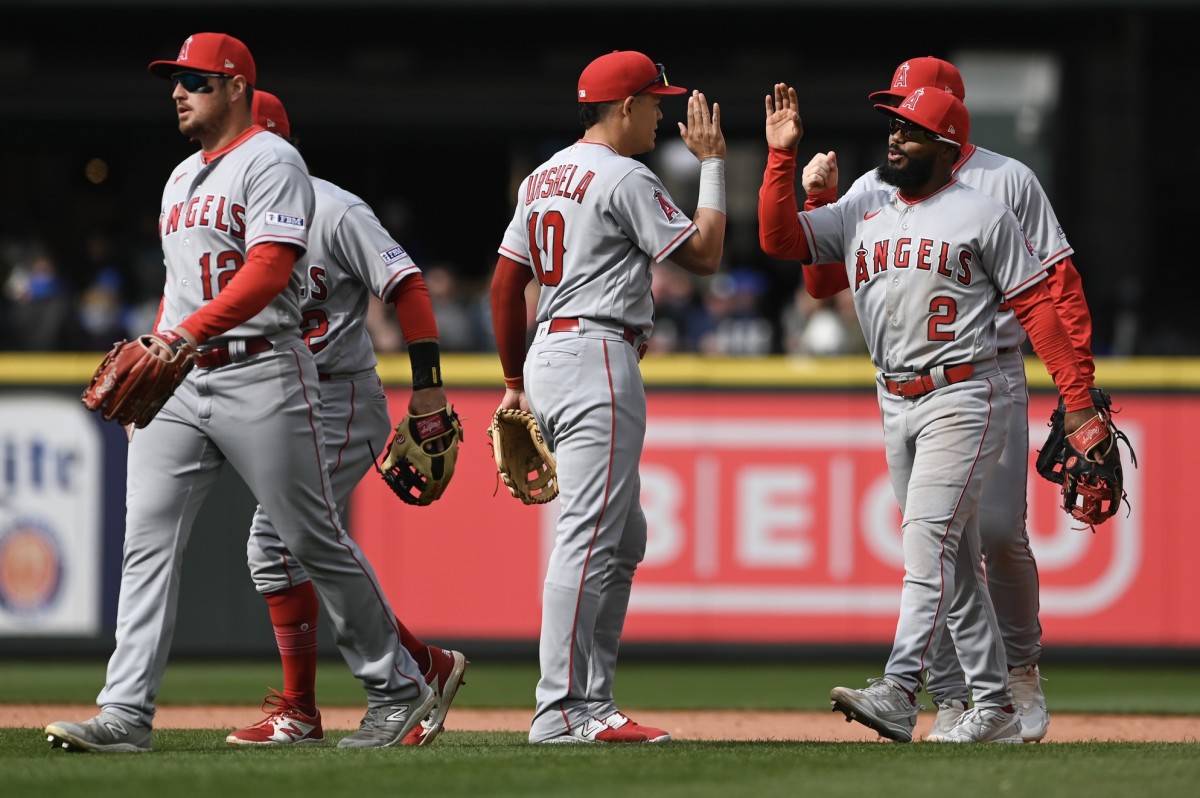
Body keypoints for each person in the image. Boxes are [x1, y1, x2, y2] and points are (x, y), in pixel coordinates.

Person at [44, 32, 434, 753]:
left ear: (234, 87)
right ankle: (125, 714)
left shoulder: (272, 158)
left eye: (193, 79)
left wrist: (183, 336)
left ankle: (400, 685)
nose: (177, 92)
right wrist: (158, 372)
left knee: (310, 537)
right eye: (175, 80)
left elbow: (268, 270)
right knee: (146, 544)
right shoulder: (179, 178)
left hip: (263, 369)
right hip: (183, 381)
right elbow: (175, 292)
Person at [758, 82, 1107, 743]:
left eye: (909, 130)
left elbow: (1040, 307)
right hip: (894, 397)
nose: (894, 138)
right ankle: (990, 704)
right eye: (892, 127)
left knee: (932, 542)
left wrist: (1079, 398)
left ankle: (898, 688)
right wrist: (783, 163)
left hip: (963, 391)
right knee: (949, 557)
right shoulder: (866, 201)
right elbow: (783, 242)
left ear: (948, 148)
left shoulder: (985, 211)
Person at [489, 50, 726, 744]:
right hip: (597, 351)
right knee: (590, 534)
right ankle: (562, 708)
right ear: (623, 107)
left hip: (550, 355)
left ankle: (592, 701)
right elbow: (705, 256)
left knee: (623, 535)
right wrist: (712, 163)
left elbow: (506, 286)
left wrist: (511, 384)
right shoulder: (624, 175)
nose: (661, 115)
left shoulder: (541, 176)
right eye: (654, 103)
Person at [220, 90, 467, 747]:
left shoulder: (335, 209)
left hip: (338, 398)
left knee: (275, 547)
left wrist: (429, 390)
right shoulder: (226, 216)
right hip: (272, 395)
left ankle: (314, 706)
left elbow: (408, 284)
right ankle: (422, 665)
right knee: (292, 551)